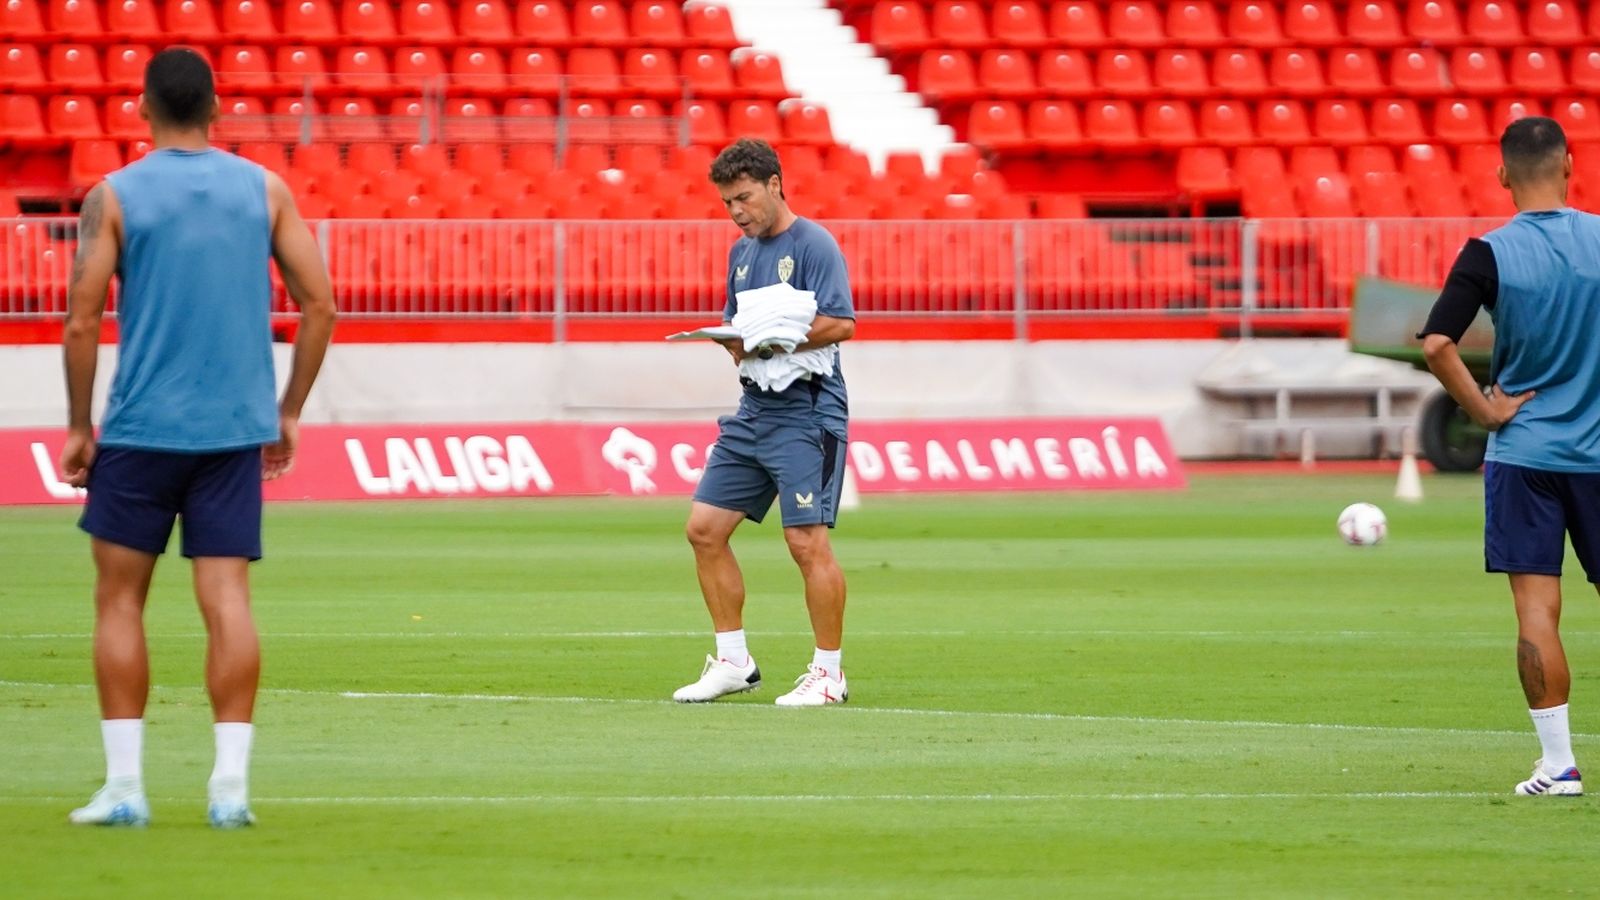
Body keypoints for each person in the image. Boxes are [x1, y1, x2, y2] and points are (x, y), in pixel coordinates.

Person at [59, 47, 337, 828]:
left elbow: (82, 318)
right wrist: (287, 412)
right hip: (230, 432)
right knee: (227, 600)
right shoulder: (266, 190)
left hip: (142, 429)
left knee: (119, 601)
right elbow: (320, 306)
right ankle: (230, 788)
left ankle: (124, 790)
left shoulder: (113, 195)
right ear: (217, 111)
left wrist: (81, 426)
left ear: (143, 108)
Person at [1419, 116, 1600, 797]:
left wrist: (1487, 410)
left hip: (1525, 454)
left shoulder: (1488, 253)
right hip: (1599, 452)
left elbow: (1438, 343)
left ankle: (1559, 765)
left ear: (1502, 175)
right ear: (1570, 165)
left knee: (1536, 611)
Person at [672, 138, 856, 707]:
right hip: (754, 411)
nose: (737, 211)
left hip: (807, 410)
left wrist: (779, 343)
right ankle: (733, 662)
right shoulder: (741, 254)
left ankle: (829, 675)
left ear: (775, 184)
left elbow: (842, 322)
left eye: (744, 198)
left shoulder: (813, 244)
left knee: (806, 542)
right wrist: (733, 342)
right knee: (704, 529)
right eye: (728, 202)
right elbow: (736, 325)